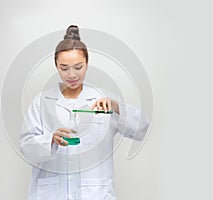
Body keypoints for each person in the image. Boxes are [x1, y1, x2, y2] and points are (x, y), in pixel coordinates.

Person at [19, 25, 149, 200]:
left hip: (95, 194)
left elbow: (140, 129)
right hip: (52, 194)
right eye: (64, 68)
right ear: (56, 65)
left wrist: (116, 107)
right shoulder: (42, 102)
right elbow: (26, 148)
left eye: (78, 67)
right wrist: (50, 140)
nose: (72, 75)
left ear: (87, 64)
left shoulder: (104, 99)